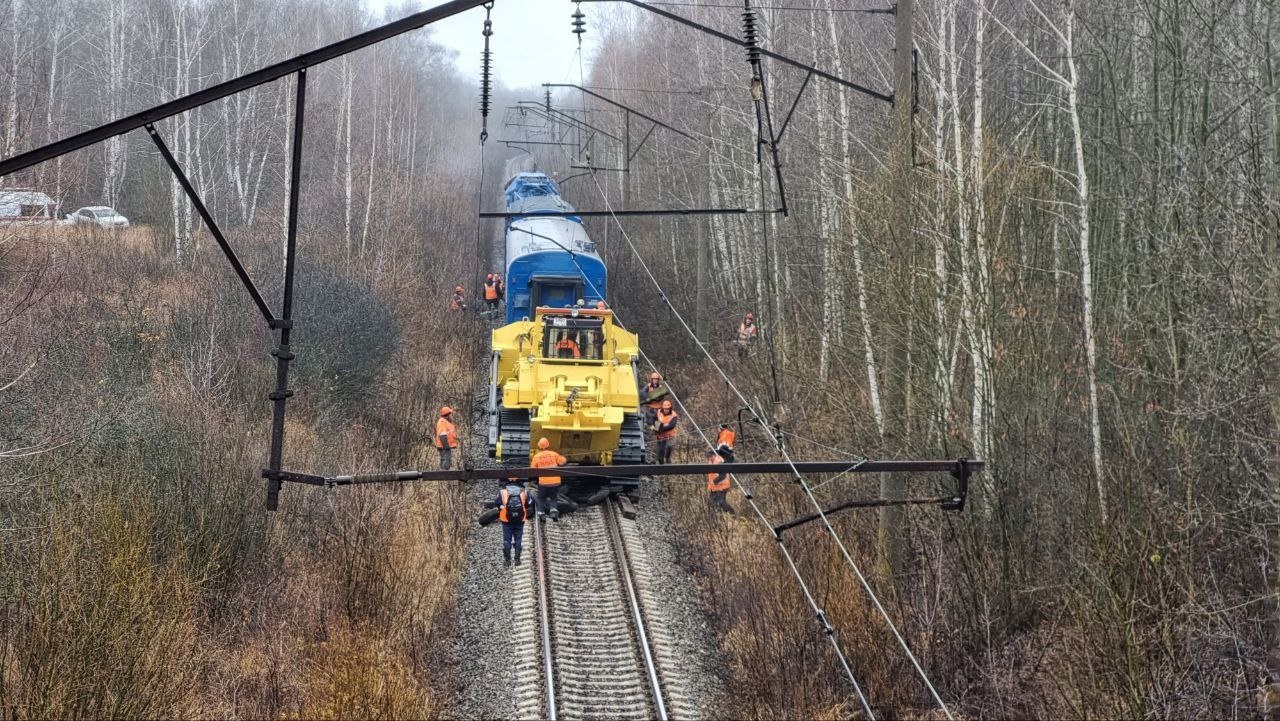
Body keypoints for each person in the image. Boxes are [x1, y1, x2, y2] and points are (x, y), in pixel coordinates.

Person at [490, 479, 529, 566]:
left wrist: (501, 507)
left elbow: (496, 503)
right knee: (518, 539)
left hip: (506, 519)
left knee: (507, 540)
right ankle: (517, 560)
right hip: (520, 519)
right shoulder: (523, 492)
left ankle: (507, 561)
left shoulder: (503, 492)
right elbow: (529, 504)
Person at [531, 438, 567, 521]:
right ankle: (553, 512)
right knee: (553, 497)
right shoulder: (554, 454)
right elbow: (563, 461)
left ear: (539, 446)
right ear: (548, 445)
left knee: (541, 498)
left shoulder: (537, 456)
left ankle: (541, 514)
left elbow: (532, 469)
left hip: (543, 482)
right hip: (555, 482)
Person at [706, 448, 735, 514]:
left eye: (710, 456)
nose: (709, 458)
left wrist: (714, 482)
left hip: (722, 486)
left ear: (714, 455)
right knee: (711, 503)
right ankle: (714, 519)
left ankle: (732, 513)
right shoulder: (711, 462)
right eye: (708, 457)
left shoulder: (719, 461)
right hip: (714, 487)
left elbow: (723, 475)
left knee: (721, 502)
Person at [654, 399, 678, 464]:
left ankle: (667, 459)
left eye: (667, 409)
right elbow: (655, 420)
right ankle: (660, 463)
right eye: (665, 409)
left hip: (670, 436)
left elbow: (672, 425)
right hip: (660, 436)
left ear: (670, 408)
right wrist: (655, 429)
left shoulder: (673, 415)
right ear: (663, 408)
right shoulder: (659, 412)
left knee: (669, 447)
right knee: (660, 450)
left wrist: (661, 428)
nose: (666, 410)